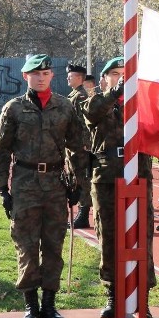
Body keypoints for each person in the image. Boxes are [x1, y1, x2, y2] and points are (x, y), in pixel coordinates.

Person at [0, 54, 87, 318]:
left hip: (56, 185)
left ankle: (49, 304)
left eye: (45, 73)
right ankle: (31, 305)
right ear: (26, 77)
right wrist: (3, 189)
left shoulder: (65, 107)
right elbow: (1, 152)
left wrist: (77, 185)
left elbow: (77, 148)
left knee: (53, 244)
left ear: (51, 76)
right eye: (35, 74)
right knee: (26, 244)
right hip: (24, 183)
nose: (41, 77)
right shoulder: (13, 109)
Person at [83, 57, 157, 318]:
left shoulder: (142, 105)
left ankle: (142, 298)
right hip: (107, 178)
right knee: (110, 237)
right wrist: (116, 92)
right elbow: (91, 115)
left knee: (142, 236)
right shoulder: (97, 102)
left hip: (139, 176)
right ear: (105, 79)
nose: (121, 78)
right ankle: (114, 293)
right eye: (114, 74)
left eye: (125, 74)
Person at [66, 63, 93, 229]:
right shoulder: (74, 95)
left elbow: (85, 123)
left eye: (71, 75)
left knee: (83, 180)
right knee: (76, 179)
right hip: (73, 146)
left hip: (80, 147)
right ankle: (81, 212)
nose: (68, 77)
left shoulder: (81, 96)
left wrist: (85, 144)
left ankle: (83, 214)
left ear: (79, 78)